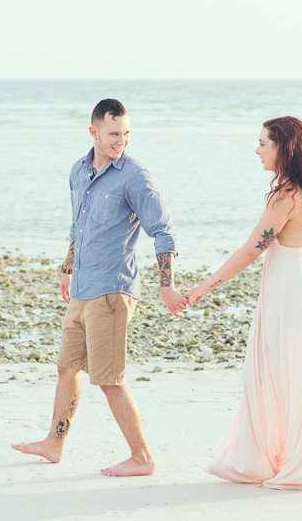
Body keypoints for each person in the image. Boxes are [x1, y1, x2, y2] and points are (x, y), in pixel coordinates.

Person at [11, 98, 188, 477]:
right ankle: (54, 443)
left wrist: (167, 286)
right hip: (82, 287)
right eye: (113, 133)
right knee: (66, 367)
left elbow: (163, 231)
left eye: (126, 133)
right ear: (93, 132)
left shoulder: (136, 177)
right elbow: (78, 226)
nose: (121, 140)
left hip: (112, 290)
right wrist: (67, 267)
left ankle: (142, 458)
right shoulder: (78, 171)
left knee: (109, 380)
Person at [184, 116, 302, 490]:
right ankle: (288, 457)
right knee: (297, 376)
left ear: (284, 148)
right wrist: (297, 278)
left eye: (263, 143)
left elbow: (251, 249)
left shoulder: (285, 196)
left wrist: (204, 286)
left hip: (287, 290)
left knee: (272, 375)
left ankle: (282, 462)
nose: (257, 149)